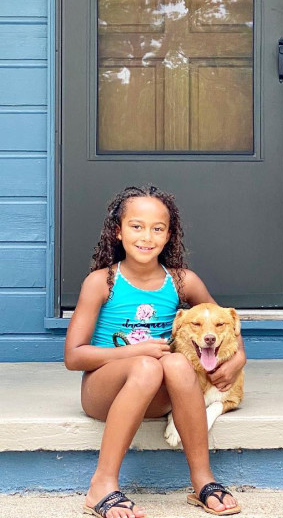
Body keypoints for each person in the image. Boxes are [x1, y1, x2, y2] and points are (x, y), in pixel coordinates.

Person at [64, 185, 246, 518]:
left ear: (168, 235)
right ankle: (101, 484)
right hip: (104, 391)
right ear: (117, 231)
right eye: (136, 226)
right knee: (148, 365)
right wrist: (135, 354)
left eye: (157, 228)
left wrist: (239, 359)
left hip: (158, 394)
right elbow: (74, 357)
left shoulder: (182, 282)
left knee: (177, 364)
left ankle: (202, 480)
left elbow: (224, 321)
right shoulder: (101, 282)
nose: (146, 236)